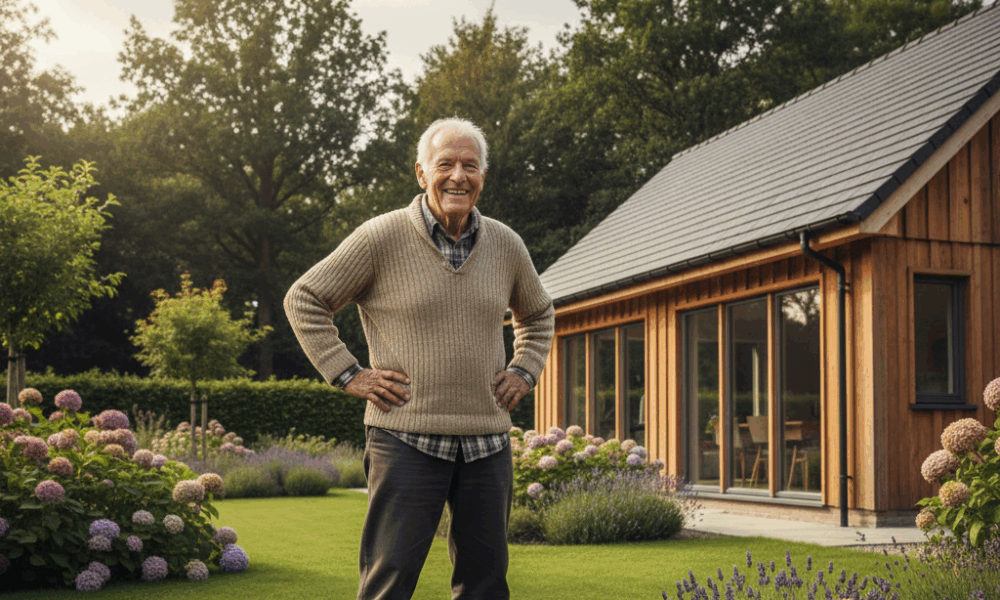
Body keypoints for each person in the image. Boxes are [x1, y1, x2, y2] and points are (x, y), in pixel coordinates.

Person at [284, 117, 555, 600]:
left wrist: (524, 368)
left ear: (483, 178)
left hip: (486, 442)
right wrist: (348, 374)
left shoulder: (506, 244)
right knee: (390, 582)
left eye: (470, 165)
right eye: (445, 164)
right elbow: (304, 298)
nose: (458, 176)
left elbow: (538, 314)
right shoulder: (379, 237)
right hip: (403, 437)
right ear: (420, 173)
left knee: (487, 585)